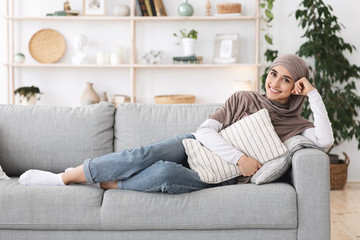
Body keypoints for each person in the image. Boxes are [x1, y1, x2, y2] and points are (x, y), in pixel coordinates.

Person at [18, 54, 334, 193]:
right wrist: (239, 157)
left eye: (287, 79)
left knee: (165, 175)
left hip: (219, 175)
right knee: (141, 155)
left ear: (297, 86)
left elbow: (323, 142)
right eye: (273, 73)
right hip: (197, 147)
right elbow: (204, 132)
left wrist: (315, 95)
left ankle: (116, 184)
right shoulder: (243, 98)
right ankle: (65, 177)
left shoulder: (295, 123)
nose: (275, 83)